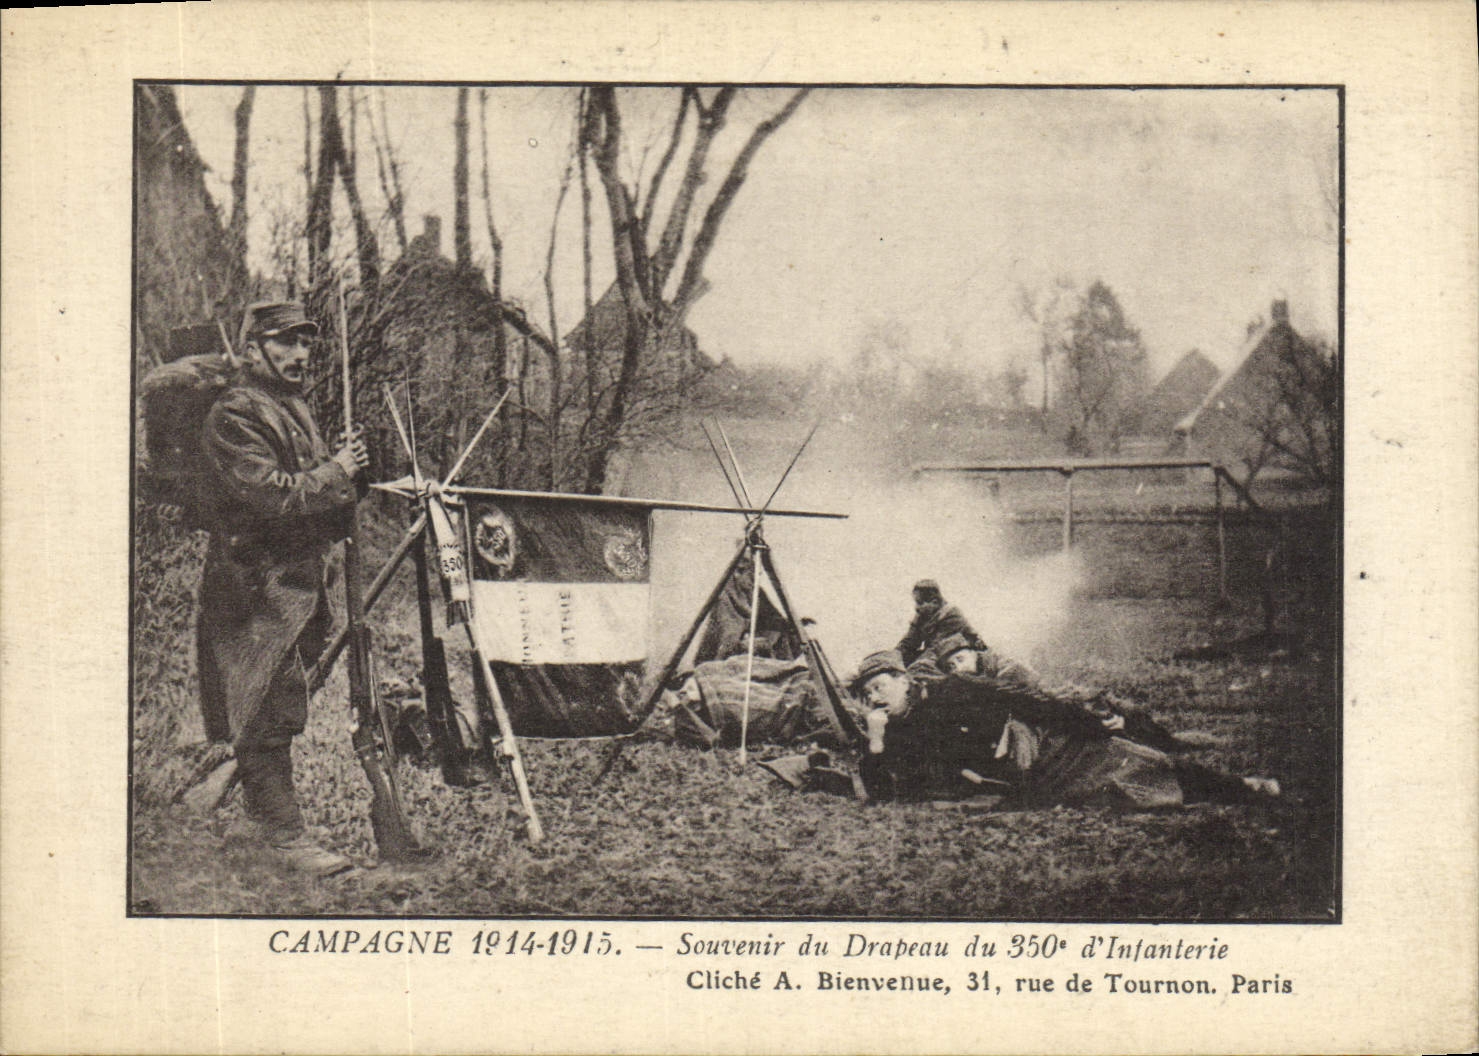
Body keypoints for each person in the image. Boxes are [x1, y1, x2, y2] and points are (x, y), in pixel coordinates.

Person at [196, 301, 369, 877]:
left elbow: (321, 495)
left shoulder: (290, 407)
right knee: (265, 709)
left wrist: (351, 475)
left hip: (297, 588)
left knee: (280, 706)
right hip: (253, 589)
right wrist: (335, 472)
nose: (300, 355)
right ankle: (284, 839)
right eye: (285, 343)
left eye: (305, 344)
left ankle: (252, 810)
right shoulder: (233, 415)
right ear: (254, 348)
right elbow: (274, 497)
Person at [850, 649, 1279, 807]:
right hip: (1024, 782)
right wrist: (875, 739)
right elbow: (884, 791)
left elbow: (1023, 700)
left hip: (1047, 749)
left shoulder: (954, 689)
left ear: (904, 679)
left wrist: (1088, 722)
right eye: (868, 693)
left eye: (880, 685)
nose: (875, 697)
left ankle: (1242, 786)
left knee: (1142, 762)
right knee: (1119, 794)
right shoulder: (893, 731)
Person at [895, 579, 984, 666]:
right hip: (939, 654)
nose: (916, 607)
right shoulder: (923, 614)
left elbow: (937, 648)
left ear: (935, 602)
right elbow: (909, 642)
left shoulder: (951, 616)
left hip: (961, 657)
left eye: (920, 603)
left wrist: (915, 666)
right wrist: (893, 658)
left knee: (921, 670)